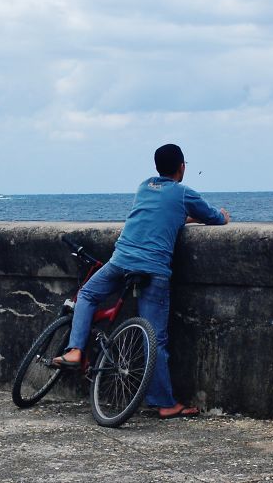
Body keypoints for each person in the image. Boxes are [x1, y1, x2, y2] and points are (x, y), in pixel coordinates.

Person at [52, 143, 229, 419]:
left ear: (156, 167)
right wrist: (223, 216)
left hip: (121, 259)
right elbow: (214, 218)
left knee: (86, 295)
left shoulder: (144, 187)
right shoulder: (183, 193)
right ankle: (165, 403)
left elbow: (160, 214)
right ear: (182, 167)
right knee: (155, 338)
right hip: (154, 270)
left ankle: (75, 350)